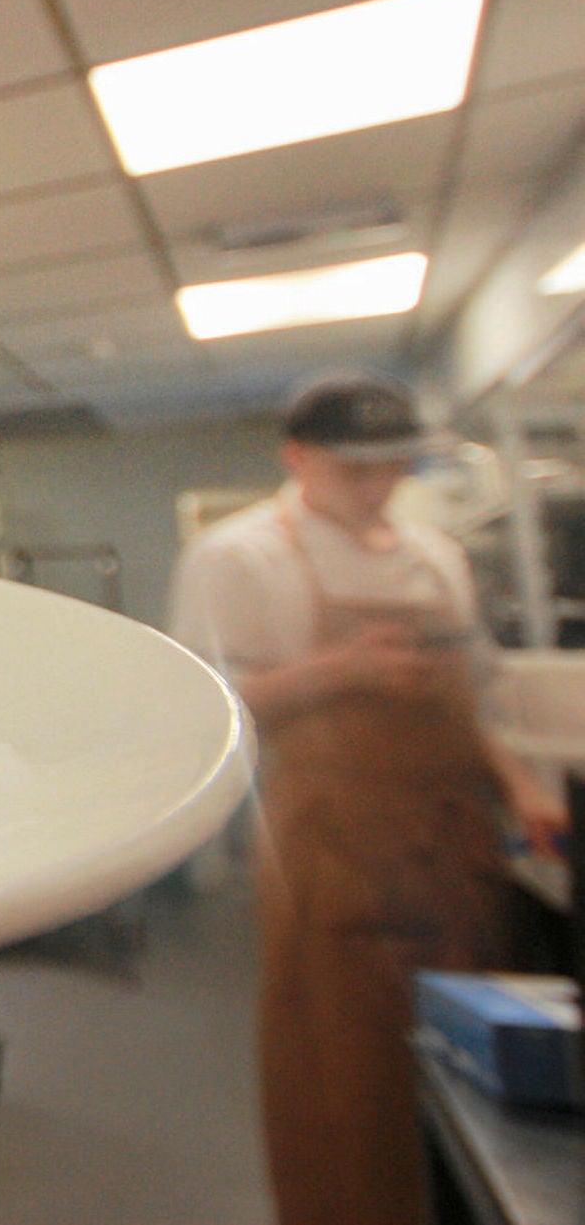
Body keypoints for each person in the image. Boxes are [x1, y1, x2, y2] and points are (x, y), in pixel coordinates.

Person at [168, 369, 565, 1225]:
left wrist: (520, 781)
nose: (379, 486)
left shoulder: (436, 555)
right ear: (297, 456)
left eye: (395, 465)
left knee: (473, 1081)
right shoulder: (242, 555)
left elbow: (471, 698)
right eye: (356, 469)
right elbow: (204, 711)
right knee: (343, 1086)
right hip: (330, 857)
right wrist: (340, 671)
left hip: (454, 850)